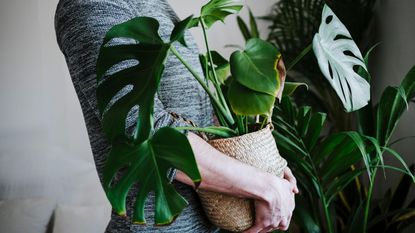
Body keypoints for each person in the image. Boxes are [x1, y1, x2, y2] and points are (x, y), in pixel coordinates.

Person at [54, 0, 298, 232]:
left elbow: (196, 113)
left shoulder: (156, 5)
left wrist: (265, 166)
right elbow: (143, 130)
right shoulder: (91, 6)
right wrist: (264, 186)